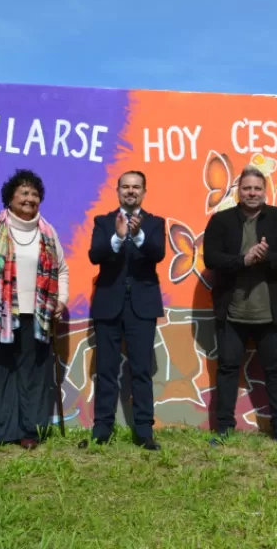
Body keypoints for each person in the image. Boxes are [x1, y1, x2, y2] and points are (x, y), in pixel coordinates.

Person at [203, 165, 277, 445]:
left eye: (257, 188)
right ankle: (223, 428)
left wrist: (265, 257)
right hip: (231, 312)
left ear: (265, 192)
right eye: (247, 188)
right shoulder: (220, 221)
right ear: (238, 192)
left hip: (270, 311)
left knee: (275, 369)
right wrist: (243, 259)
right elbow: (211, 258)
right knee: (227, 369)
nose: (252, 193)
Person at [0, 169, 69, 449]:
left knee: (33, 374)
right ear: (10, 197)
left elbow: (62, 270)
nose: (30, 198)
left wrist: (61, 299)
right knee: (1, 372)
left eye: (34, 193)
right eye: (24, 193)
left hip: (37, 316)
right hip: (0, 315)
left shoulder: (48, 231)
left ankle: (29, 431)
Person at [81, 170, 165, 451]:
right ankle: (102, 428)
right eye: (126, 187)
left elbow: (157, 254)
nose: (131, 191)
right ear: (117, 191)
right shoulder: (103, 222)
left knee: (141, 370)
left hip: (141, 306)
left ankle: (143, 430)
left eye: (136, 187)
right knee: (105, 370)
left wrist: (138, 235)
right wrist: (117, 238)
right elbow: (95, 255)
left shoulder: (154, 223)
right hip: (109, 304)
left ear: (144, 191)